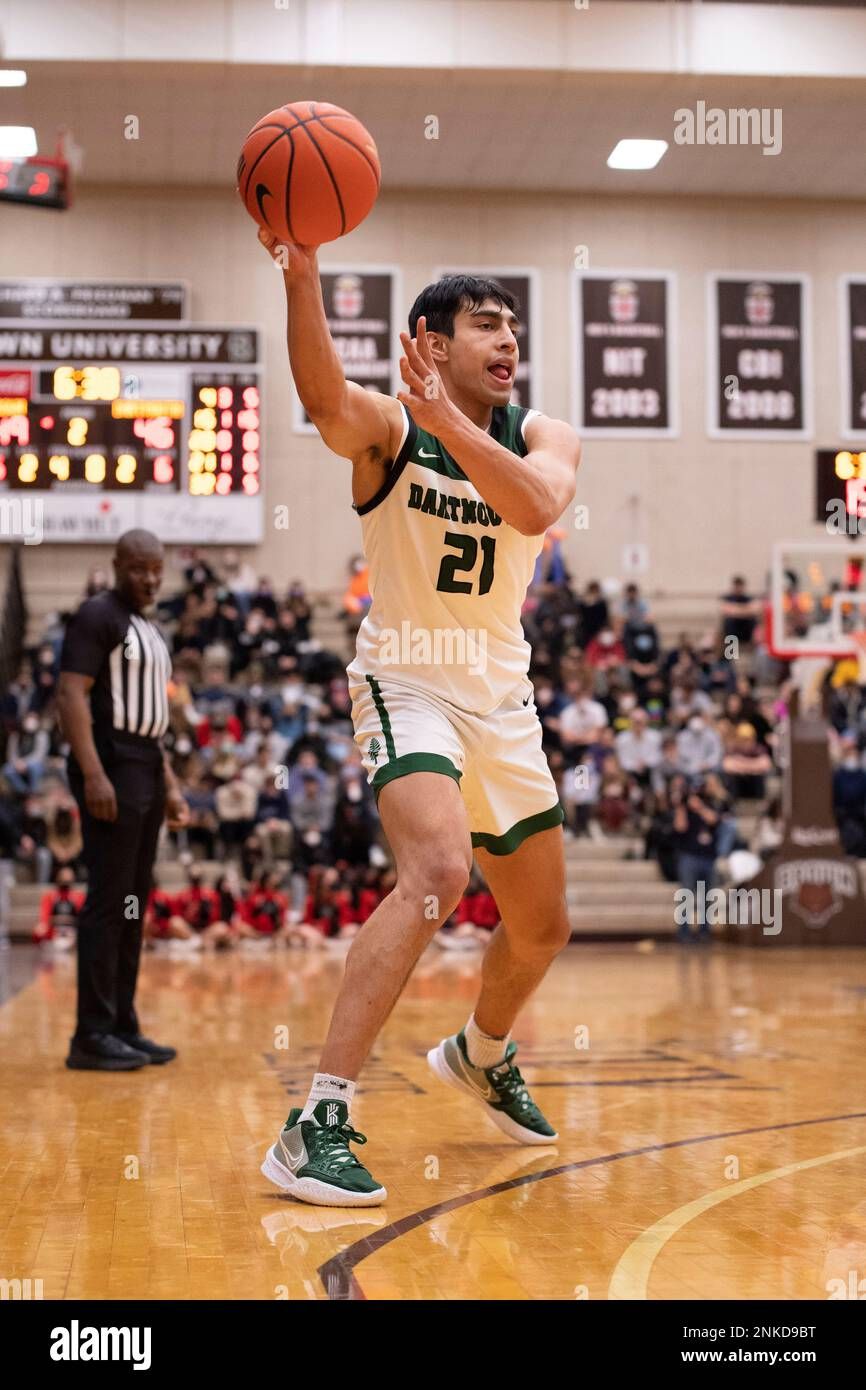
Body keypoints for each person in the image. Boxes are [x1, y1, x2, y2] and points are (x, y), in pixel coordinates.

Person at [256, 237, 579, 1205]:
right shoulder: (389, 430)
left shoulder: (541, 433)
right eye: (484, 323)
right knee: (438, 873)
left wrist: (455, 423)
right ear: (428, 344)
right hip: (408, 682)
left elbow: (535, 506)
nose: (507, 339)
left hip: (501, 699)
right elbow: (320, 401)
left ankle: (481, 1052)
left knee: (542, 927)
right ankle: (316, 1119)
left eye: (512, 325)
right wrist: (301, 271)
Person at [57, 529, 189, 1071]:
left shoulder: (149, 627)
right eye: (138, 568)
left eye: (156, 568)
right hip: (111, 764)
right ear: (116, 566)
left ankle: (121, 1024)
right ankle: (90, 1034)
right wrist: (92, 773)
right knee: (110, 902)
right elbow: (69, 693)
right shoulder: (97, 616)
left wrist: (172, 784)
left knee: (136, 901)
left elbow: (153, 721)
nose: (150, 578)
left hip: (145, 768)